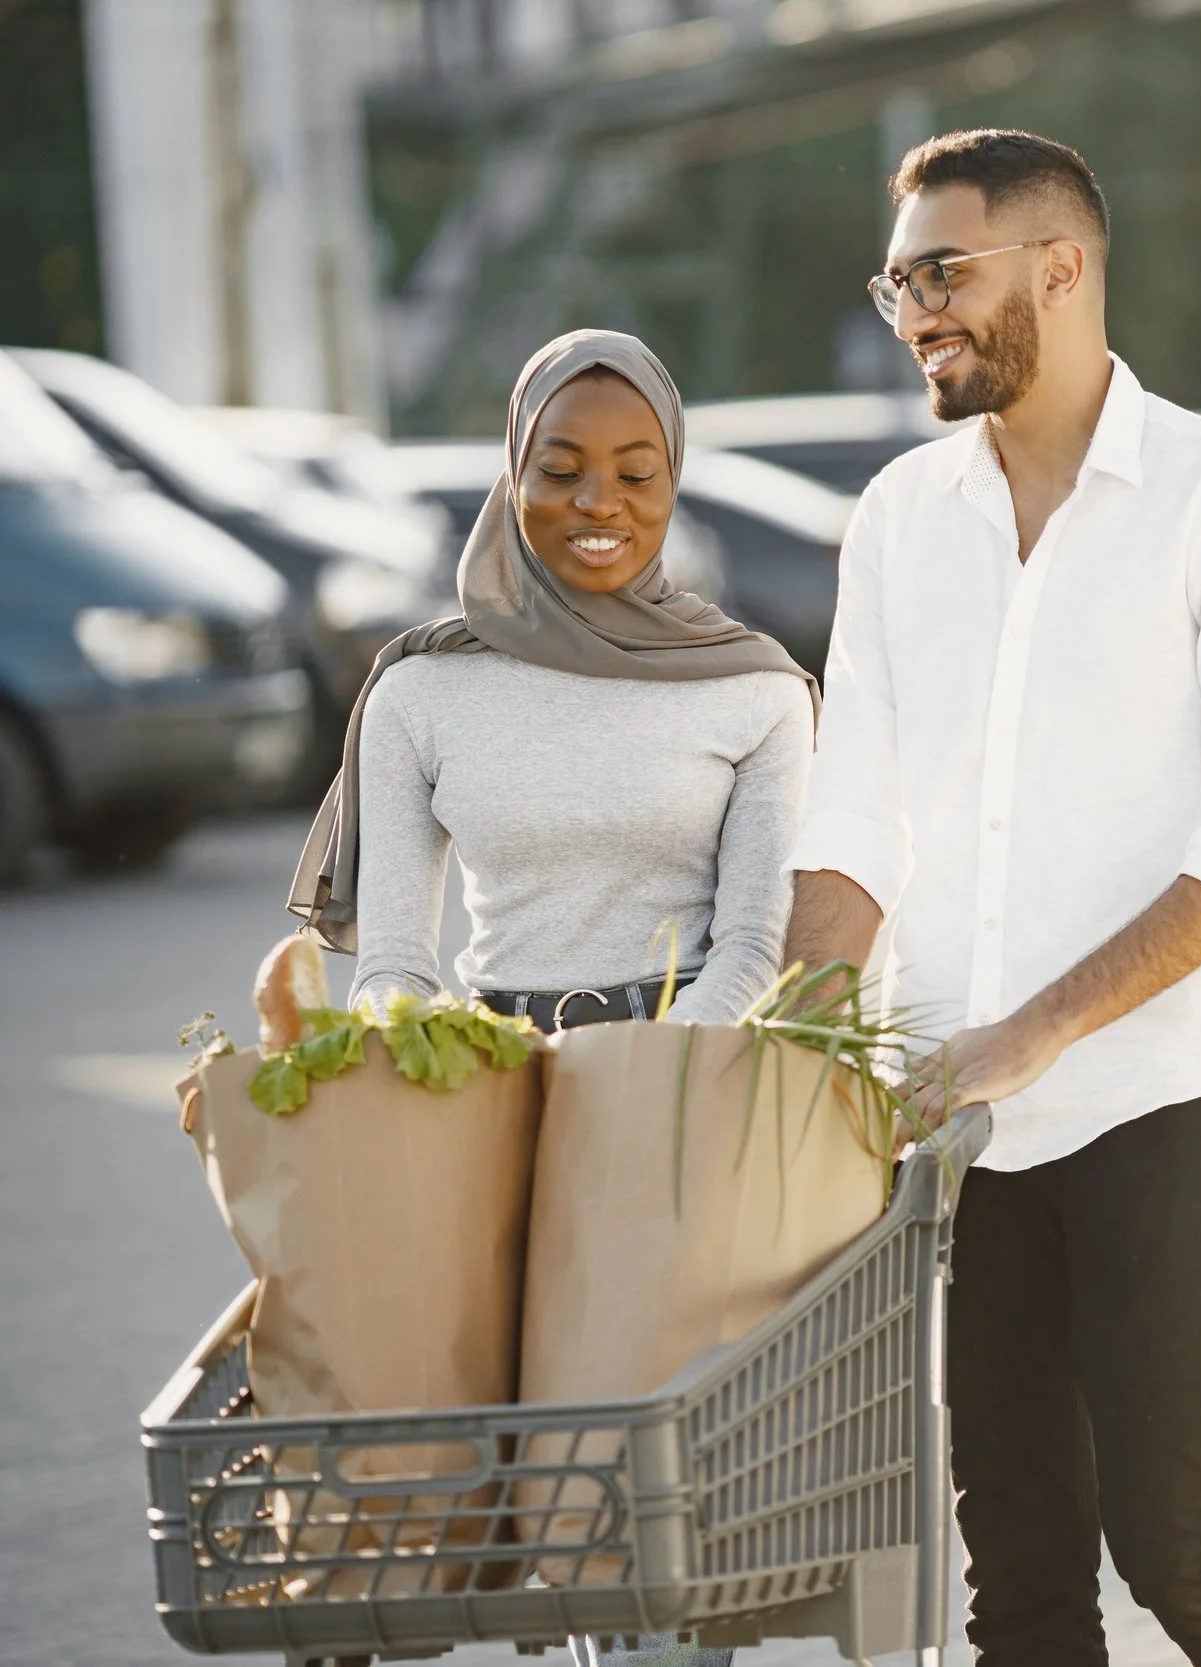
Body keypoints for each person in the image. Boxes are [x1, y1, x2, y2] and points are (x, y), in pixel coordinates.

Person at [785, 131, 1201, 1666]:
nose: (915, 313)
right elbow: (853, 811)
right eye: (897, 280)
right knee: (1017, 1580)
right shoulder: (898, 517)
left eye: (942, 272)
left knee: (1179, 1545)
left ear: (1062, 265)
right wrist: (791, 1047)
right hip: (959, 1123)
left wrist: (1031, 1032)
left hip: (1160, 1100)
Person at [286, 332, 816, 1667]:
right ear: (510, 474)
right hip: (485, 1083)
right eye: (561, 467)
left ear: (675, 480)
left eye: (638, 472)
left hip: (677, 1089)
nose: (601, 503)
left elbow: (753, 943)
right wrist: (424, 1068)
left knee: (645, 1520)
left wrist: (642, 1084)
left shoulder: (749, 685)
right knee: (512, 1502)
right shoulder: (424, 683)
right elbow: (395, 961)